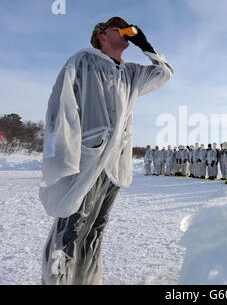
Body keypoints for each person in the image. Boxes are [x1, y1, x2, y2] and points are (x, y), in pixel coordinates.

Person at [39, 17, 173, 285]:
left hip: (114, 165)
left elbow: (164, 74)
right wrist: (63, 156)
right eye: (116, 27)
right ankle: (55, 281)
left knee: (96, 228)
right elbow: (60, 110)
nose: (124, 31)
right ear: (100, 36)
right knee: (70, 229)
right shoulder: (82, 62)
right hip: (85, 161)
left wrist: (145, 46)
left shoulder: (131, 73)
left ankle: (86, 280)